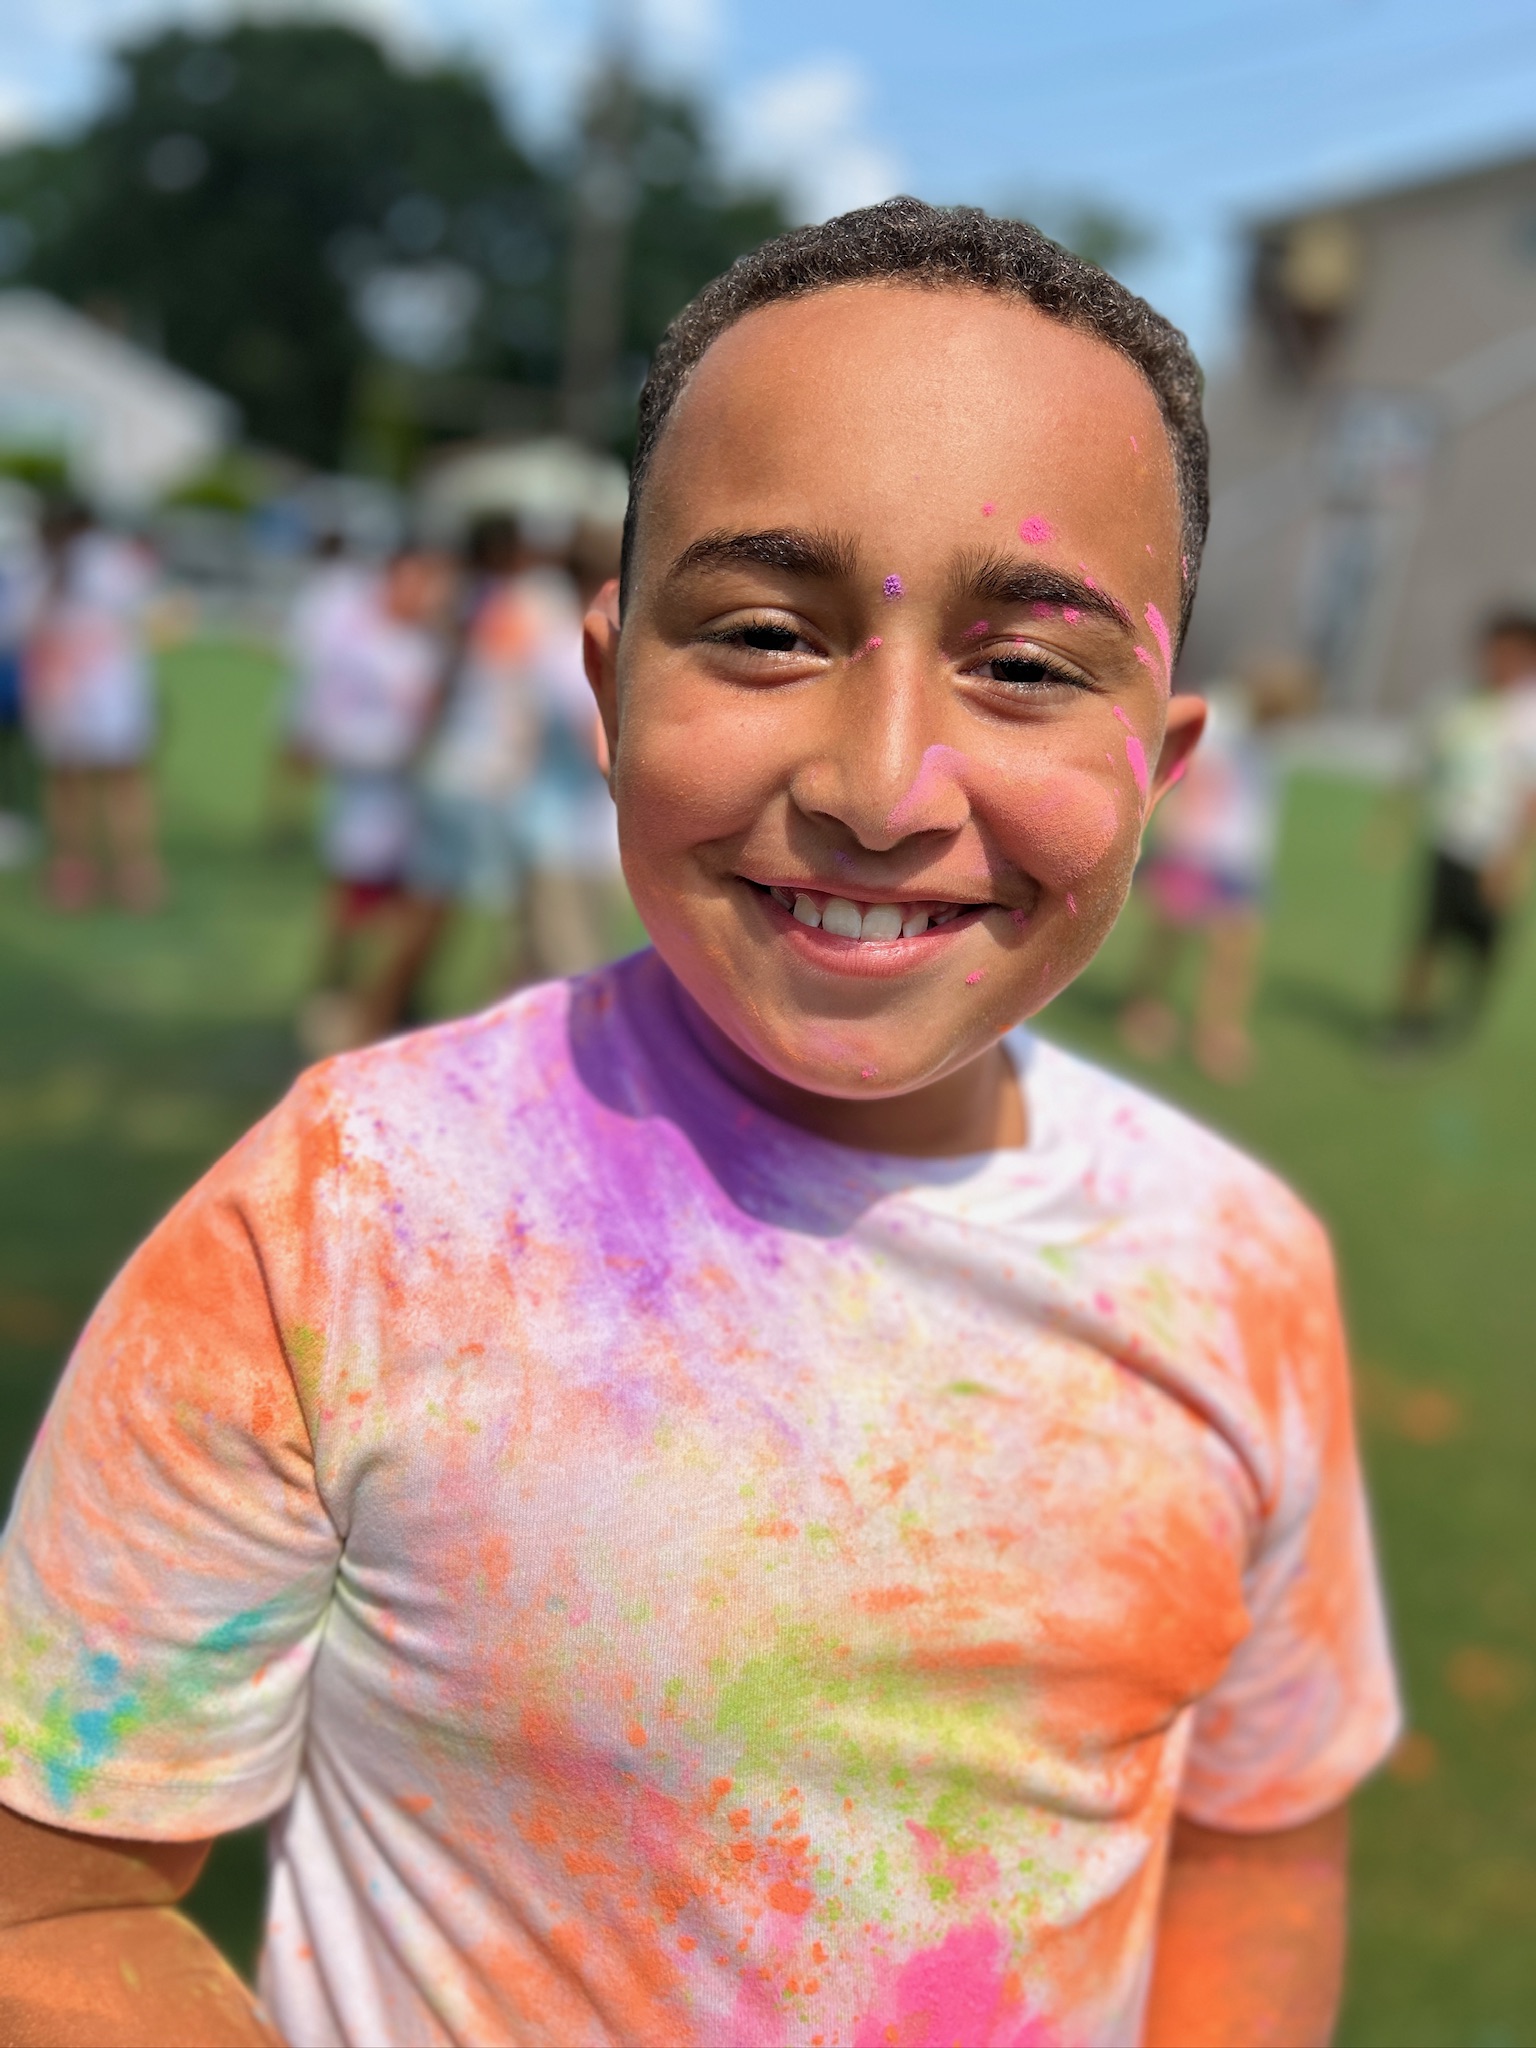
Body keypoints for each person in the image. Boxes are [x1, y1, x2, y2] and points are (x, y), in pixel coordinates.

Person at [0, 201, 1397, 2048]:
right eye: (762, 631)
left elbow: (1262, 1837)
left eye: (1030, 666)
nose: (880, 786)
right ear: (604, 681)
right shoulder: (342, 1219)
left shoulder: (1238, 1271)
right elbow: (53, 1888)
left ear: (1165, 763)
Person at [1119, 656, 1317, 1082]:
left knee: (1235, 950)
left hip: (1241, 859)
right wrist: (1177, 840)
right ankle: (1144, 1008)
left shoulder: (1274, 733)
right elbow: (1190, 776)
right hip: (1196, 851)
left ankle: (1217, 1032)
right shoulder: (1220, 717)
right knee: (1169, 938)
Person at [294, 545, 453, 1058]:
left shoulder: (432, 649)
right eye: (411, 582)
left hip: (418, 806)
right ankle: (333, 994)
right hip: (366, 800)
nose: (420, 595)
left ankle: (389, 1004)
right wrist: (391, 750)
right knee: (355, 908)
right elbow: (326, 728)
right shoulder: (357, 646)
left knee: (408, 910)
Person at [1387, 608, 1536, 1043]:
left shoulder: (1529, 716)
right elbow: (1421, 763)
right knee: (1427, 939)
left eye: (1513, 653)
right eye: (1494, 650)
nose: (1499, 661)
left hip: (1494, 853)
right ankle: (1407, 1026)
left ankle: (1466, 1008)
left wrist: (1512, 861)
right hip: (1449, 841)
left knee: (1480, 948)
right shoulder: (1454, 701)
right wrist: (1393, 821)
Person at [21, 499, 163, 911]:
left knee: (71, 785)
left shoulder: (49, 565)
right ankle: (132, 872)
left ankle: (77, 871)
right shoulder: (113, 561)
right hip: (108, 696)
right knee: (123, 785)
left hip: (72, 694)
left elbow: (23, 627)